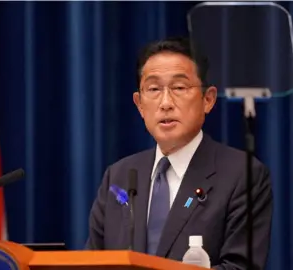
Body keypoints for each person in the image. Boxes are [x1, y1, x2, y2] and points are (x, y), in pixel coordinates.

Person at [85, 36, 273, 270]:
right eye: (153, 89)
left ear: (208, 99)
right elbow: (93, 262)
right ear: (139, 105)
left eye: (179, 87)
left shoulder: (242, 175)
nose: (165, 102)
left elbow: (240, 267)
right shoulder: (119, 176)